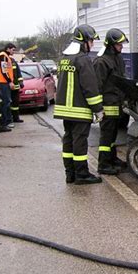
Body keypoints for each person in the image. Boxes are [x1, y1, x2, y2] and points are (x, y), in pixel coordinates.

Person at [53, 24, 104, 185]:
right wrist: (98, 110)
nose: (92, 44)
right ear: (84, 41)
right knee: (80, 142)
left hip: (64, 111)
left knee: (68, 140)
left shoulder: (64, 58)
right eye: (91, 41)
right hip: (80, 111)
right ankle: (82, 175)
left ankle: (70, 174)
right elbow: (90, 87)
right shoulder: (83, 60)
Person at [93, 28, 129, 175]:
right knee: (106, 136)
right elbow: (97, 85)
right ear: (111, 44)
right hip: (107, 105)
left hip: (117, 103)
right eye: (119, 44)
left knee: (113, 135)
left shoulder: (118, 58)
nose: (122, 46)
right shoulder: (101, 62)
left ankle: (112, 158)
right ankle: (103, 164)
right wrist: (98, 108)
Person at [0, 43, 16, 131]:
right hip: (2, 83)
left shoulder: (4, 56)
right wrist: (10, 81)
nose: (13, 52)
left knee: (6, 102)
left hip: (2, 82)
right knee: (5, 103)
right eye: (13, 50)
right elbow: (4, 71)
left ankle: (6, 122)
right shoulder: (3, 56)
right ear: (8, 49)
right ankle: (4, 123)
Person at [10, 56, 24, 122]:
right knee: (8, 104)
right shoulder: (3, 61)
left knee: (15, 103)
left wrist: (21, 82)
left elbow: (18, 73)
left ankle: (16, 118)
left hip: (15, 87)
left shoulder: (13, 61)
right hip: (7, 87)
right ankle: (9, 119)